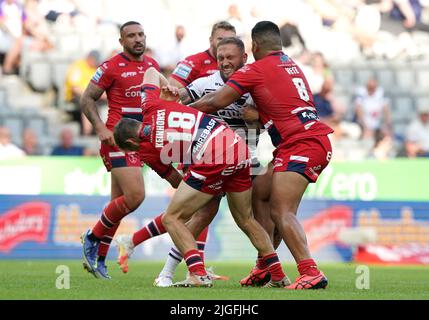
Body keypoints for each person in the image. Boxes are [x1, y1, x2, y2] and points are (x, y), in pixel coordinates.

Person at [112, 67, 289, 288]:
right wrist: (169, 86)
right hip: (237, 146)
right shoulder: (151, 104)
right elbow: (150, 71)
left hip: (211, 156)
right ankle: (279, 275)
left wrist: (202, 188)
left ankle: (196, 273)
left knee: (172, 218)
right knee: (246, 220)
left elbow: (177, 182)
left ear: (130, 144)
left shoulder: (146, 150)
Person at [189, 21, 334, 290]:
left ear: (254, 47)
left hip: (302, 144)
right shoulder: (290, 64)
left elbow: (215, 101)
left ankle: (310, 271)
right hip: (304, 141)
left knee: (281, 211)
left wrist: (181, 111)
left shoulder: (257, 69)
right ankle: (264, 267)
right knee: (260, 191)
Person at [79, 21, 170, 279]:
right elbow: (86, 98)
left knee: (118, 205)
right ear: (122, 41)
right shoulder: (110, 67)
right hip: (116, 139)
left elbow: (165, 95)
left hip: (138, 140)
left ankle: (98, 257)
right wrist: (99, 128)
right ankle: (92, 236)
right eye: (131, 36)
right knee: (135, 197)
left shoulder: (151, 65)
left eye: (141, 34)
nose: (137, 39)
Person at [168, 21, 236, 88]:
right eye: (220, 39)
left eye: (230, 40)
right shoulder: (192, 62)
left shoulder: (239, 64)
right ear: (211, 40)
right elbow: (171, 91)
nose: (225, 44)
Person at [64, 50, 103, 135]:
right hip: (75, 95)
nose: (96, 63)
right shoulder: (77, 66)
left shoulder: (96, 69)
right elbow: (75, 88)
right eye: (95, 61)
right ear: (90, 58)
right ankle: (87, 133)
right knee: (87, 102)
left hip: (92, 95)